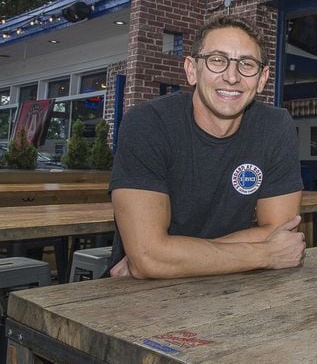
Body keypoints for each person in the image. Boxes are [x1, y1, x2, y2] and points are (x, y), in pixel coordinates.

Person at [108, 15, 306, 279]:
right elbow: (148, 257)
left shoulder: (276, 126)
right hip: (142, 299)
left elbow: (280, 230)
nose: (232, 76)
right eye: (217, 60)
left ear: (262, 78)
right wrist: (266, 254)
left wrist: (168, 257)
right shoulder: (148, 123)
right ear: (192, 70)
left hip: (237, 286)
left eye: (247, 64)